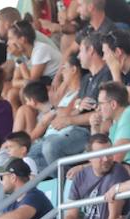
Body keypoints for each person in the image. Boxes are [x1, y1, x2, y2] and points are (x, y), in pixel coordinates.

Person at [34, 34, 111, 168]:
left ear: (91, 50)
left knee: (50, 147)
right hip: (74, 129)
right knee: (30, 157)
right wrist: (77, 107)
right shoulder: (87, 79)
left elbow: (101, 115)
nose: (79, 56)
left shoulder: (106, 75)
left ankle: (67, 185)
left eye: (81, 51)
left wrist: (68, 120)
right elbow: (77, 108)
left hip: (89, 131)